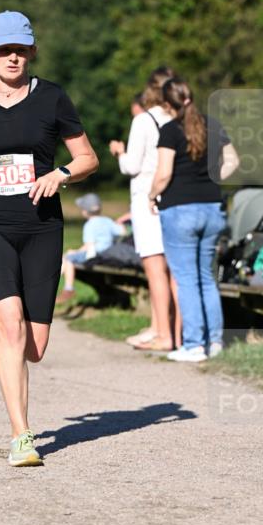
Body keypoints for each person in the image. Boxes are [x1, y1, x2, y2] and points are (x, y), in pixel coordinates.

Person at [0, 10, 98, 467]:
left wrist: (61, 174)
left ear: (32, 52)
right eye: (4, 49)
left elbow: (88, 158)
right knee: (11, 326)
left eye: (21, 50)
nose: (13, 57)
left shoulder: (53, 97)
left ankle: (9, 339)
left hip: (41, 226)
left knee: (34, 347)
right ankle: (21, 436)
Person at [149, 78, 240, 362]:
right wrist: (212, 180)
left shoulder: (169, 130)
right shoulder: (213, 124)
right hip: (212, 208)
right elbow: (234, 161)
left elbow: (164, 174)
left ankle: (193, 345)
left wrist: (151, 195)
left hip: (180, 211)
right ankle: (214, 342)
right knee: (206, 277)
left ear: (167, 104)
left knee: (186, 279)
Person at [109, 66, 181, 352]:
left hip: (147, 197)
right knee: (175, 270)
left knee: (155, 269)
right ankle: (174, 333)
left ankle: (163, 335)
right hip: (176, 196)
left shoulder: (143, 120)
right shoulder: (181, 116)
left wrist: (119, 153)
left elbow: (132, 166)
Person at [57, 193, 125, 302]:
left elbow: (89, 246)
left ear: (85, 211)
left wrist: (75, 251)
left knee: (68, 258)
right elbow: (122, 231)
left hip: (94, 254)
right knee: (69, 257)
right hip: (108, 253)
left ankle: (68, 289)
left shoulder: (89, 225)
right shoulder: (107, 221)